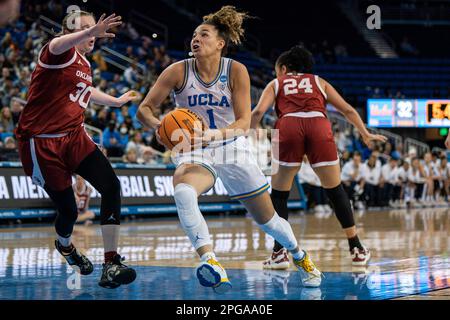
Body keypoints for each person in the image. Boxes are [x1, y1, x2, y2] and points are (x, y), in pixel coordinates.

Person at [137, 6, 322, 292]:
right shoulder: (176, 71)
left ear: (220, 43)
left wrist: (213, 135)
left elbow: (244, 122)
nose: (196, 39)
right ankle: (210, 260)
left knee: (269, 221)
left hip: (230, 146)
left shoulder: (236, 70)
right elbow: (145, 109)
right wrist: (160, 126)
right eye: (195, 35)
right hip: (194, 149)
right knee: (184, 191)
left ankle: (299, 255)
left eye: (204, 34)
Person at [15, 10, 137, 289]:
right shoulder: (56, 51)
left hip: (73, 136)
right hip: (41, 141)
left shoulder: (83, 63)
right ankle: (66, 246)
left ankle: (111, 263)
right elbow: (57, 44)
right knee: (68, 211)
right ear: (69, 31)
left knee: (111, 186)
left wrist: (116, 102)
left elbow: (86, 90)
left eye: (93, 27)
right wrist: (89, 31)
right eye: (84, 28)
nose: (92, 32)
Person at [251, 45, 387, 269]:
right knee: (335, 190)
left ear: (283, 69)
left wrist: (249, 134)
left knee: (280, 194)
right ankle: (357, 249)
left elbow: (257, 112)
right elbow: (348, 110)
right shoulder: (319, 81)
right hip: (318, 125)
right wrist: (365, 133)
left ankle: (279, 252)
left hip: (288, 126)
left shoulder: (277, 83)